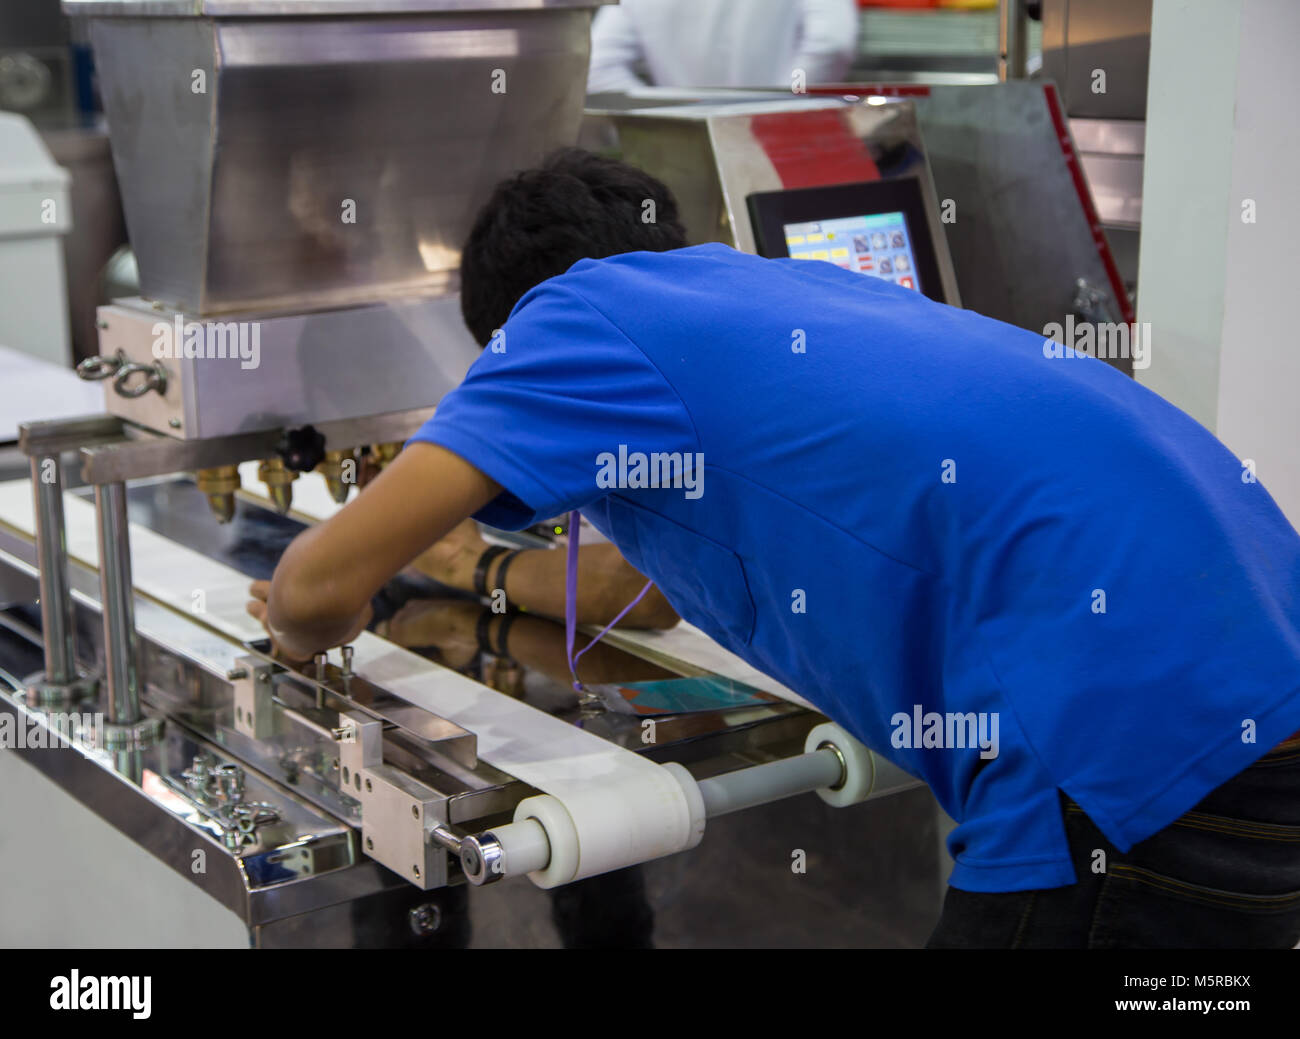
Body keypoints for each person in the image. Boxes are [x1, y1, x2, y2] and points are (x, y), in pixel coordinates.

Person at [249, 149, 1300, 949]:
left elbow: (314, 580)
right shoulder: (788, 296)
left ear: (515, 320)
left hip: (1125, 761)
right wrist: (465, 566)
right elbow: (634, 587)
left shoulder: (578, 313)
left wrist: (315, 621)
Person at [586, 0, 858, 94]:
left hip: (687, 148)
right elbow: (832, 42)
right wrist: (779, 105)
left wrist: (668, 116)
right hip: (779, 145)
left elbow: (595, 65)